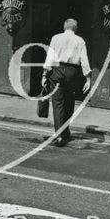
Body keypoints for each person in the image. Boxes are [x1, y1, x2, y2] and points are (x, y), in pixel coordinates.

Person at [41, 18, 92, 147]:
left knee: (58, 103)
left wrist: (45, 74)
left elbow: (50, 58)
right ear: (75, 28)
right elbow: (84, 60)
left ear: (64, 26)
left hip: (57, 70)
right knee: (69, 101)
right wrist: (88, 78)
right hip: (72, 72)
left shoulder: (56, 38)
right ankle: (65, 131)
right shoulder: (80, 41)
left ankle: (59, 135)